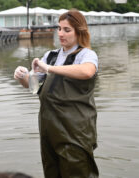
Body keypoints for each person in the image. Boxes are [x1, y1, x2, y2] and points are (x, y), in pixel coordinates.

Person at [14, 10, 99, 178]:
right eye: (59, 28)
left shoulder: (86, 55)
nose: (61, 34)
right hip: (49, 128)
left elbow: (87, 72)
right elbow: (32, 86)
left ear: (79, 31)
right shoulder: (50, 56)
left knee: (77, 173)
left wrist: (49, 69)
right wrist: (22, 76)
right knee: (51, 172)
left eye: (67, 30)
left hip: (76, 130)